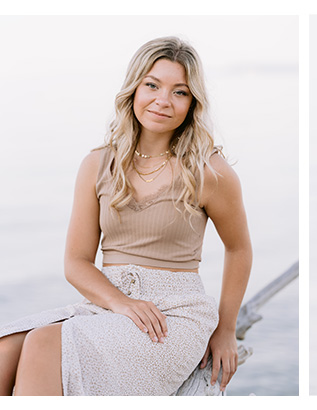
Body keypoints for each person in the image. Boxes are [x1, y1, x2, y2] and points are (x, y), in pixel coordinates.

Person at [0, 36, 252, 396]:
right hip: (109, 305)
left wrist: (226, 329)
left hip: (173, 318)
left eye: (179, 92)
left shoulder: (209, 171)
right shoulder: (98, 164)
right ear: (134, 88)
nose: (163, 100)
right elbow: (76, 261)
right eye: (152, 85)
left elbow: (239, 249)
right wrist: (121, 302)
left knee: (43, 344)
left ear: (192, 103)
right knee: (5, 349)